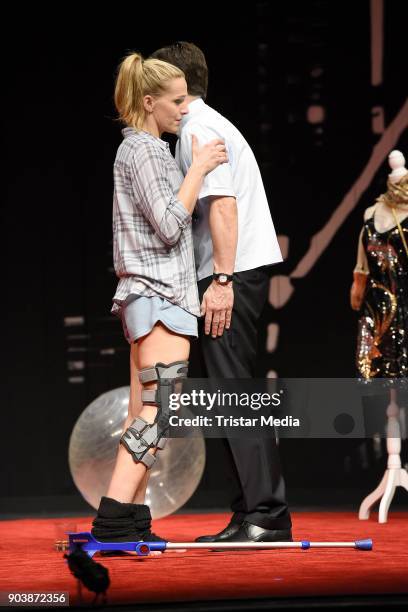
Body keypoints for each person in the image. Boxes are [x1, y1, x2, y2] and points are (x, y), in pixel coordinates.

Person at [151, 42, 292, 542]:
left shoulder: (198, 128)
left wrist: (224, 282)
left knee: (233, 392)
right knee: (222, 393)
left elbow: (224, 206)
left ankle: (267, 514)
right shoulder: (203, 126)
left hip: (229, 273)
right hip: (225, 271)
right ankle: (249, 512)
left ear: (176, 87)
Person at [91, 51, 227, 543]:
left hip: (152, 293)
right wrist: (201, 169)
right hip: (159, 293)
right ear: (149, 102)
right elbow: (170, 226)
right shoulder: (145, 151)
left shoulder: (146, 150)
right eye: (176, 100)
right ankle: (112, 518)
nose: (184, 107)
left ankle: (130, 519)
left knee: (145, 408)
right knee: (158, 408)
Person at [351, 150, 408, 379]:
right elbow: (361, 264)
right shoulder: (370, 214)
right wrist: (357, 286)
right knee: (369, 374)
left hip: (405, 304)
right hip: (374, 306)